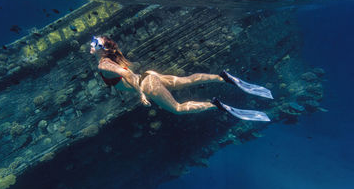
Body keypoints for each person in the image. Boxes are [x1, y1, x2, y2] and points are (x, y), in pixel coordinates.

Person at [90, 36, 273, 121]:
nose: (91, 44)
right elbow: (129, 72)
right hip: (150, 76)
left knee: (178, 109)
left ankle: (216, 105)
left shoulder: (103, 64)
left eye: (95, 43)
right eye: (93, 40)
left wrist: (141, 95)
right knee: (186, 80)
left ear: (103, 49)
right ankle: (221, 77)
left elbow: (128, 74)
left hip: (146, 85)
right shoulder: (109, 59)